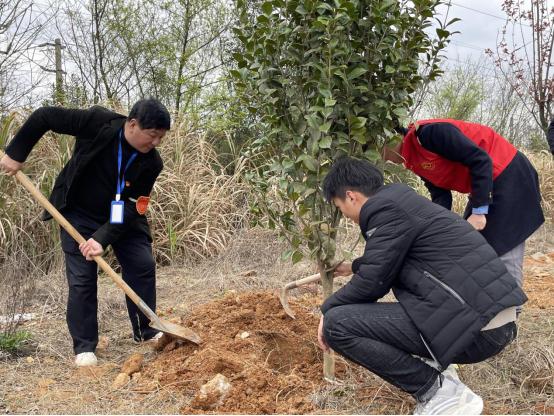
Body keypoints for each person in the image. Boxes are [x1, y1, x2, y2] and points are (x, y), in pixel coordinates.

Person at [318, 157, 526, 415]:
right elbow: (394, 258)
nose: (346, 217)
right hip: (489, 319)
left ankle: (440, 393)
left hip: (478, 330)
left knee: (338, 324)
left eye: (340, 208)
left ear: (351, 196)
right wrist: (355, 266)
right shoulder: (401, 202)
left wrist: (326, 311)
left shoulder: (384, 211)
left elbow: (374, 282)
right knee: (381, 314)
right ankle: (443, 375)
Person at [0, 98, 170, 367]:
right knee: (82, 278)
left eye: (161, 138)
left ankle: (146, 330)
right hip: (78, 213)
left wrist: (102, 239)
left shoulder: (152, 163)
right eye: (152, 136)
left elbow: (131, 207)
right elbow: (44, 116)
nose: (156, 143)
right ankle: (85, 346)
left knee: (142, 263)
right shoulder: (96, 122)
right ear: (133, 124)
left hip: (120, 217)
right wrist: (15, 153)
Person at [383, 119, 544, 303]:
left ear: (390, 137)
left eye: (379, 150)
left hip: (509, 174)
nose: (382, 158)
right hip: (485, 186)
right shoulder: (413, 158)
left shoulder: (429, 134)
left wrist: (479, 211)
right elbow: (441, 195)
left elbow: (481, 160)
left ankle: (511, 314)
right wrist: (436, 228)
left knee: (503, 246)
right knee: (470, 246)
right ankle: (486, 307)